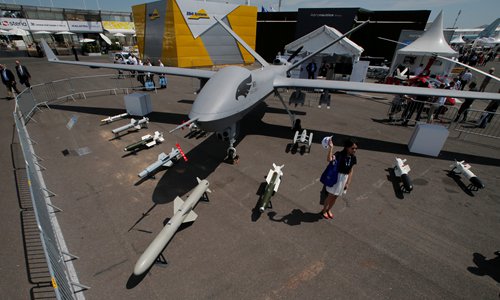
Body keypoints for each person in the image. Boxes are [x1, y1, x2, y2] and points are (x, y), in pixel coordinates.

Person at [321, 137, 357, 219]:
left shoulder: (353, 158)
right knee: (330, 196)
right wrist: (331, 148)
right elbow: (329, 159)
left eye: (356, 148)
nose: (354, 150)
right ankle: (324, 210)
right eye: (352, 148)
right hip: (336, 177)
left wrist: (348, 183)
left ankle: (329, 209)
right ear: (347, 147)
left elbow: (351, 170)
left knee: (336, 197)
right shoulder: (339, 154)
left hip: (344, 178)